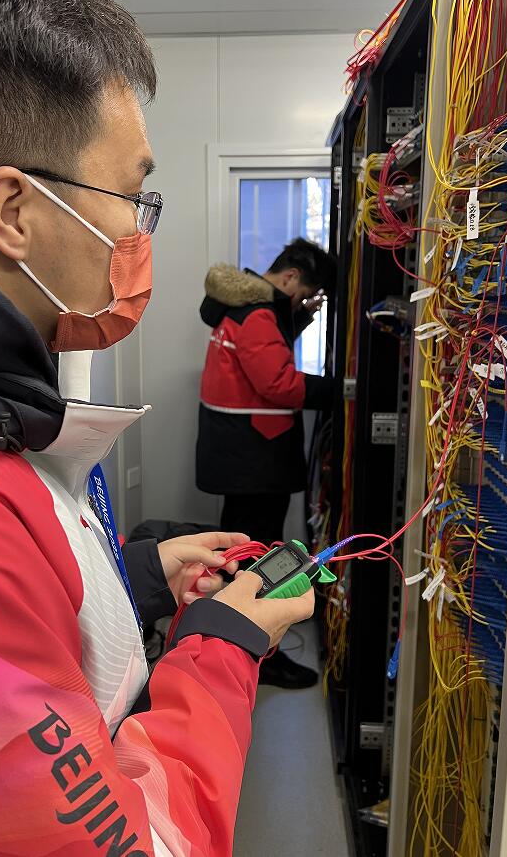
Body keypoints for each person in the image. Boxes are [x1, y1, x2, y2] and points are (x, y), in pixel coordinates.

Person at [0, 0, 314, 856]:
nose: (140, 234)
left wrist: (134, 580)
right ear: (15, 212)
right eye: (131, 197)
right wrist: (223, 644)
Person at [196, 239, 335, 689]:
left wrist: (299, 317)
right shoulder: (258, 314)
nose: (298, 302)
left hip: (239, 456)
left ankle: (231, 646)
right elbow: (278, 383)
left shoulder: (243, 306)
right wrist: (343, 390)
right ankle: (259, 653)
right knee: (259, 560)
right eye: (302, 294)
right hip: (255, 459)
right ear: (291, 278)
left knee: (241, 553)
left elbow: (264, 352)